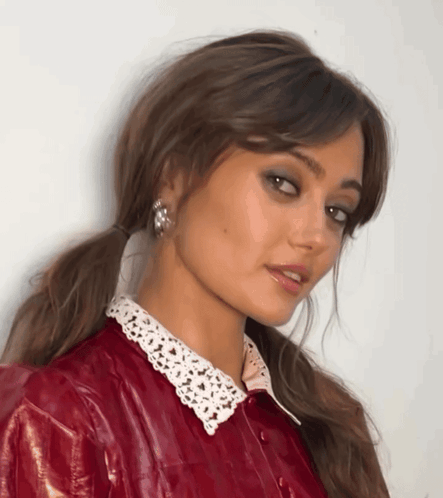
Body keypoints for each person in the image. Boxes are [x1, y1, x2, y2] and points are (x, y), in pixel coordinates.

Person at [0, 29, 391, 497]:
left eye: (337, 211)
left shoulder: (330, 431)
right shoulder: (56, 423)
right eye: (283, 183)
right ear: (173, 175)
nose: (316, 236)